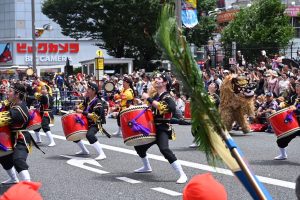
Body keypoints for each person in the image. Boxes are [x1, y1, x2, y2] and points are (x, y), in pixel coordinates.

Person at [135, 73, 188, 184]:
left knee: (164, 149)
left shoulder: (168, 97)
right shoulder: (156, 96)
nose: (156, 80)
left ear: (165, 83)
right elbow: (151, 108)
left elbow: (166, 108)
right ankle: (147, 167)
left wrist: (148, 99)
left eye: (159, 79)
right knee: (139, 146)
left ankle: (182, 174)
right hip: (152, 127)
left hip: (163, 128)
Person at [0, 83, 32, 183]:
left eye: (10, 91)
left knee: (18, 159)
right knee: (4, 157)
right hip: (10, 137)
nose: (7, 93)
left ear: (17, 94)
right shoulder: (12, 104)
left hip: (21, 139)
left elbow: (1, 119)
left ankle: (29, 186)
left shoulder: (19, 109)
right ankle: (14, 179)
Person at [73, 82, 107, 160]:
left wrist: (81, 112)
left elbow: (95, 116)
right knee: (74, 132)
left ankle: (102, 154)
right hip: (86, 122)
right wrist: (77, 107)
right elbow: (81, 106)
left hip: (95, 123)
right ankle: (84, 150)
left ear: (93, 91)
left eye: (88, 89)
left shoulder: (98, 102)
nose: (87, 90)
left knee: (90, 135)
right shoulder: (87, 99)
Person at [273, 83, 300, 160]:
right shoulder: (293, 97)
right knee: (281, 139)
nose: (297, 88)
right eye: (297, 86)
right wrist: (282, 106)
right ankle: (283, 155)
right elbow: (287, 106)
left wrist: (296, 110)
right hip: (293, 123)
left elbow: (295, 109)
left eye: (299, 86)